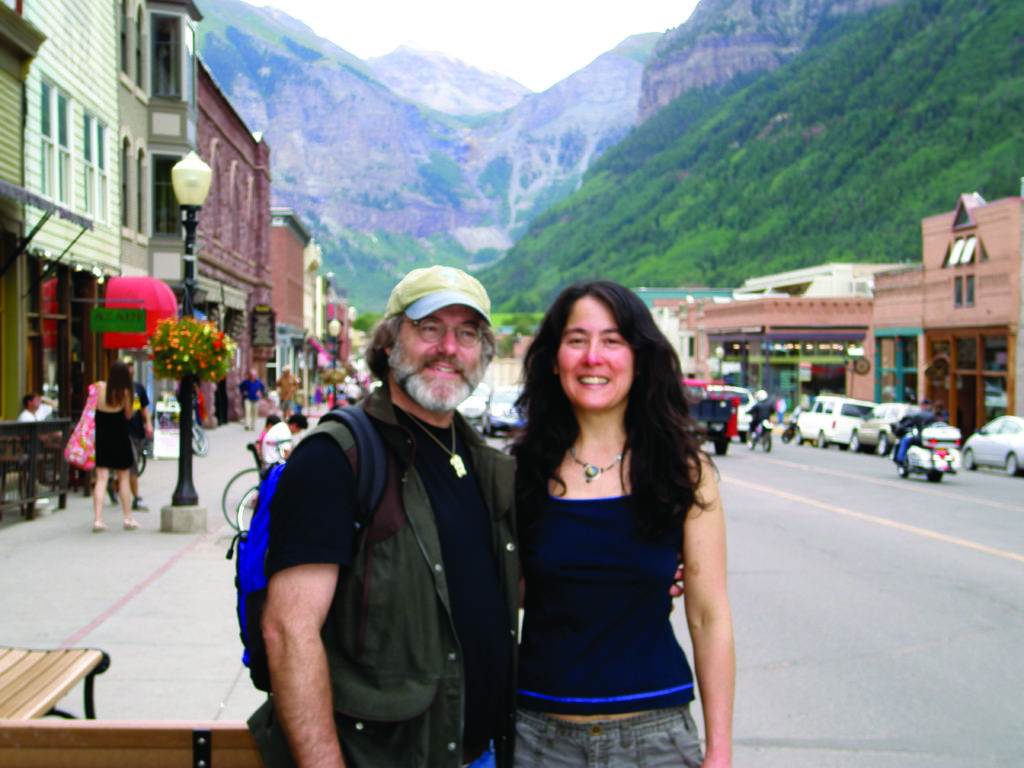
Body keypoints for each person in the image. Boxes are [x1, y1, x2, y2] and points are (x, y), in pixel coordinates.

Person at [248, 265, 518, 768]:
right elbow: (288, 630)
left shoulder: (481, 461)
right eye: (429, 328)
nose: (448, 348)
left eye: (466, 333)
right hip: (379, 757)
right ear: (391, 341)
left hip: (480, 752)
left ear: (482, 352)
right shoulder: (336, 458)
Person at [511, 280, 735, 767]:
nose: (594, 356)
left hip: (654, 737)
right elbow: (510, 590)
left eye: (613, 341)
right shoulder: (519, 472)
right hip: (538, 738)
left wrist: (719, 751)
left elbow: (708, 615)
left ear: (639, 357)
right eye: (577, 340)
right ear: (554, 359)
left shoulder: (685, 471)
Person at [92, 361, 140, 532]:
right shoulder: (126, 393)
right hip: (120, 437)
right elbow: (128, 415)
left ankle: (98, 519)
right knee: (124, 478)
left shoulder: (99, 387)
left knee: (101, 478)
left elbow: (90, 408)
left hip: (102, 437)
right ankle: (128, 518)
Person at [125, 361, 152, 512]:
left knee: (129, 467)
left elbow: (144, 408)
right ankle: (136, 497)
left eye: (131, 372)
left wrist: (148, 423)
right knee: (132, 466)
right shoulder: (117, 389)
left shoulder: (138, 388)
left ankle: (113, 485)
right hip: (124, 433)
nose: (130, 374)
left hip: (137, 431)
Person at [893, 399, 937, 465]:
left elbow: (908, 424)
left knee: (905, 440)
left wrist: (900, 428)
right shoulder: (933, 416)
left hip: (921, 439)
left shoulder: (918, 415)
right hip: (932, 439)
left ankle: (900, 459)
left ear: (923, 405)